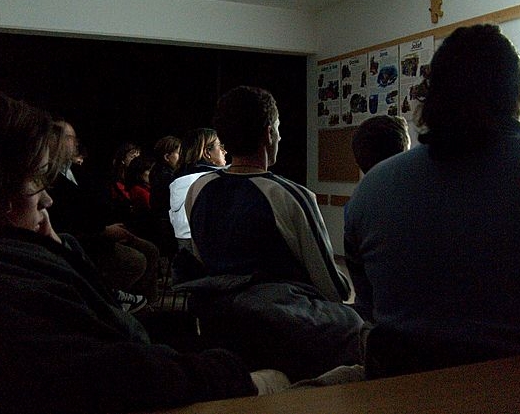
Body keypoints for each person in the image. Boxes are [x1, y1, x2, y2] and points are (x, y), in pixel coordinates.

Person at [0, 86, 290, 413]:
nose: (47, 199)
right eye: (35, 180)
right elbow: (113, 374)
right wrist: (238, 377)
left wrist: (58, 249)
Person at [344, 25, 520, 377]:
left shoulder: (371, 188)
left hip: (397, 391)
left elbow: (368, 307)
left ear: (432, 93)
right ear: (517, 95)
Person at [183, 86, 364, 381]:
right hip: (280, 326)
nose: (280, 136)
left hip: (217, 320)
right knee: (357, 326)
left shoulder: (197, 189)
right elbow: (333, 288)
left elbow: (201, 259)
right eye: (278, 128)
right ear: (269, 133)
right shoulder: (290, 194)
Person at [47, 120, 159, 304]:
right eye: (72, 138)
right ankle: (105, 300)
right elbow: (67, 216)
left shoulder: (77, 171)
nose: (76, 144)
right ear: (56, 139)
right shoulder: (49, 175)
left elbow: (97, 204)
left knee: (150, 250)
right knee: (135, 260)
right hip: (84, 236)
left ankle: (145, 305)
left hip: (101, 227)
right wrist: (103, 230)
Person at [169, 128, 226, 254]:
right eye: (220, 147)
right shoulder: (216, 178)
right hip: (209, 249)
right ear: (207, 152)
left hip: (184, 248)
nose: (225, 151)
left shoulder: (177, 180)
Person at [149, 135, 181, 258]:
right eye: (179, 154)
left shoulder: (156, 171)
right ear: (167, 157)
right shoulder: (167, 177)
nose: (182, 158)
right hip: (167, 226)